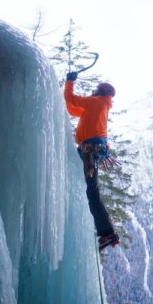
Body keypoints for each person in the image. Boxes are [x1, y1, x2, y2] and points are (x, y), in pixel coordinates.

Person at [64, 71, 120, 251]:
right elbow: (73, 110)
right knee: (91, 189)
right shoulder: (99, 106)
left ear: (99, 92)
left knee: (92, 191)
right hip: (94, 150)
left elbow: (70, 98)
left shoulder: (95, 103)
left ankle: (107, 232)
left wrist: (70, 80)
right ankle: (106, 231)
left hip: (89, 150)